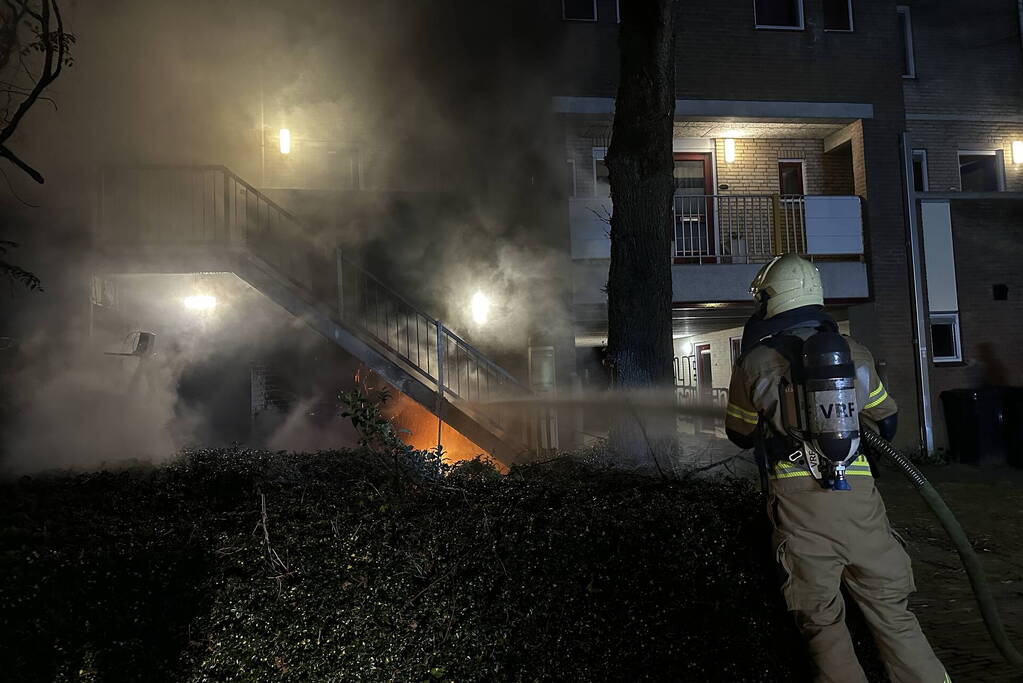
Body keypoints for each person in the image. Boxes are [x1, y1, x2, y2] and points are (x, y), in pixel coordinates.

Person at [725, 254, 950, 683]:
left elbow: (739, 431)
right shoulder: (856, 352)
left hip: (801, 509)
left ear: (773, 298)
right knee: (893, 615)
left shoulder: (755, 361)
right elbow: (886, 420)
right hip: (860, 501)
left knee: (823, 624)